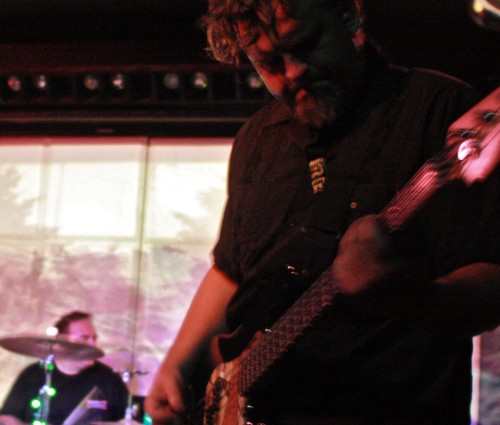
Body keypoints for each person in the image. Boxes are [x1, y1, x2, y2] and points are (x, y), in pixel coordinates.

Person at [145, 0, 500, 424]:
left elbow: (491, 283)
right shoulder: (257, 138)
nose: (294, 71)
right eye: (269, 63)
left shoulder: (440, 111)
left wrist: (409, 297)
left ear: (350, 18)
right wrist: (175, 365)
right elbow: (231, 270)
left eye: (307, 44)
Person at [0, 311, 129, 425]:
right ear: (60, 343)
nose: (92, 344)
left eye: (94, 338)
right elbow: (6, 419)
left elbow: (131, 420)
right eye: (84, 338)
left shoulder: (109, 379)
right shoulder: (32, 375)